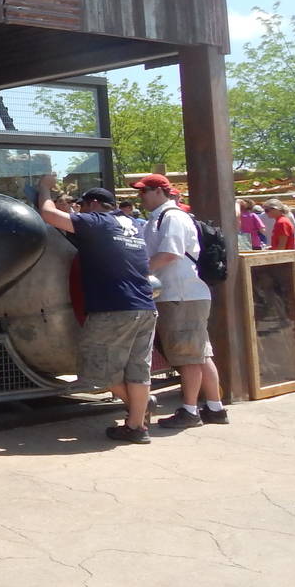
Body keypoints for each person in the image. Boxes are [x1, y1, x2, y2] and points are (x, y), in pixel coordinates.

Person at [38, 176, 157, 444]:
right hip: (145, 306)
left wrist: (44, 188)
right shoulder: (132, 226)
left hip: (113, 308)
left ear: (93, 205)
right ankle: (137, 424)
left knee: (97, 366)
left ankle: (138, 410)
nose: (79, 211)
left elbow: (48, 214)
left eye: (81, 206)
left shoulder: (98, 223)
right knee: (138, 368)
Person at [135, 174, 227, 427]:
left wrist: (140, 275)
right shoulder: (163, 217)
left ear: (159, 192)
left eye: (145, 191)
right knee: (199, 354)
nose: (140, 196)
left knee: (187, 356)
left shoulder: (172, 217)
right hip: (186, 294)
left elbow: (169, 253)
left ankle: (190, 411)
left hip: (180, 295)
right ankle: (215, 408)